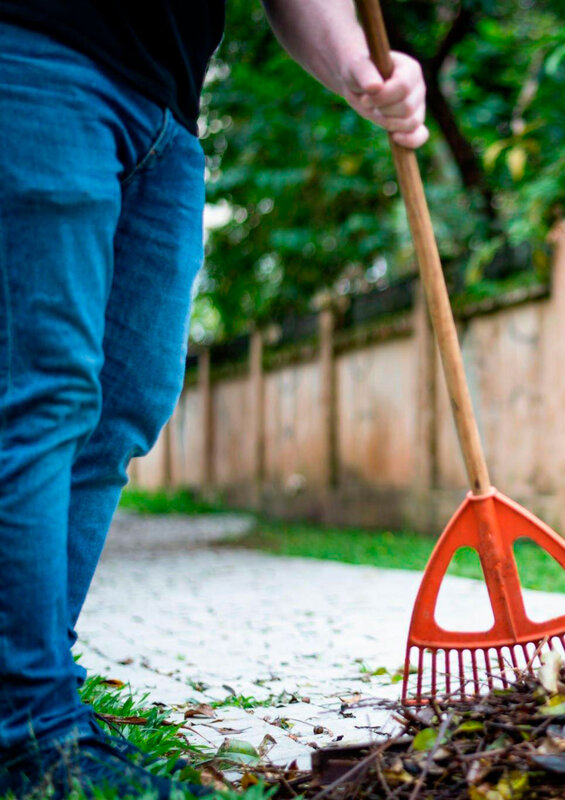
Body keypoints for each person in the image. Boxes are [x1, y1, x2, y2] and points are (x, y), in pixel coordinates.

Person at [0, 1, 427, 796]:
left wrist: (359, 74)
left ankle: (34, 685)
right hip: (38, 50)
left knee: (123, 407)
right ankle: (31, 730)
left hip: (169, 109)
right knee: (43, 390)